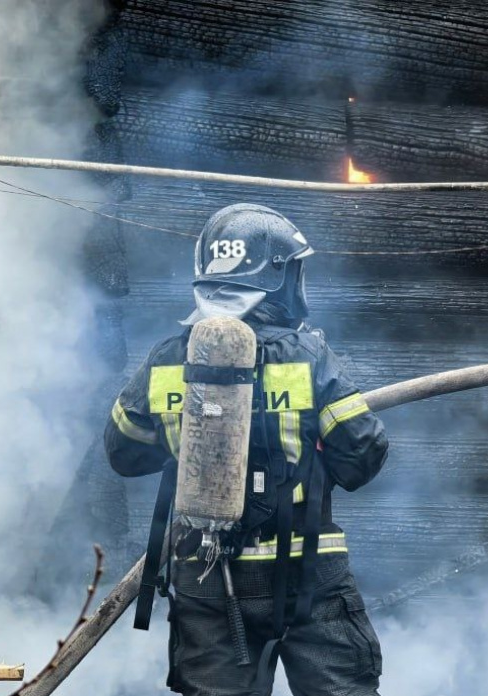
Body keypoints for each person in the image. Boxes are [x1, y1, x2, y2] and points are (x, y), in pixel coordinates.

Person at [104, 203, 389, 696]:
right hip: (308, 575)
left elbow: (125, 453)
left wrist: (188, 435)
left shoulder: (167, 360)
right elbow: (362, 457)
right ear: (279, 277)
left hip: (207, 576)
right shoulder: (307, 357)